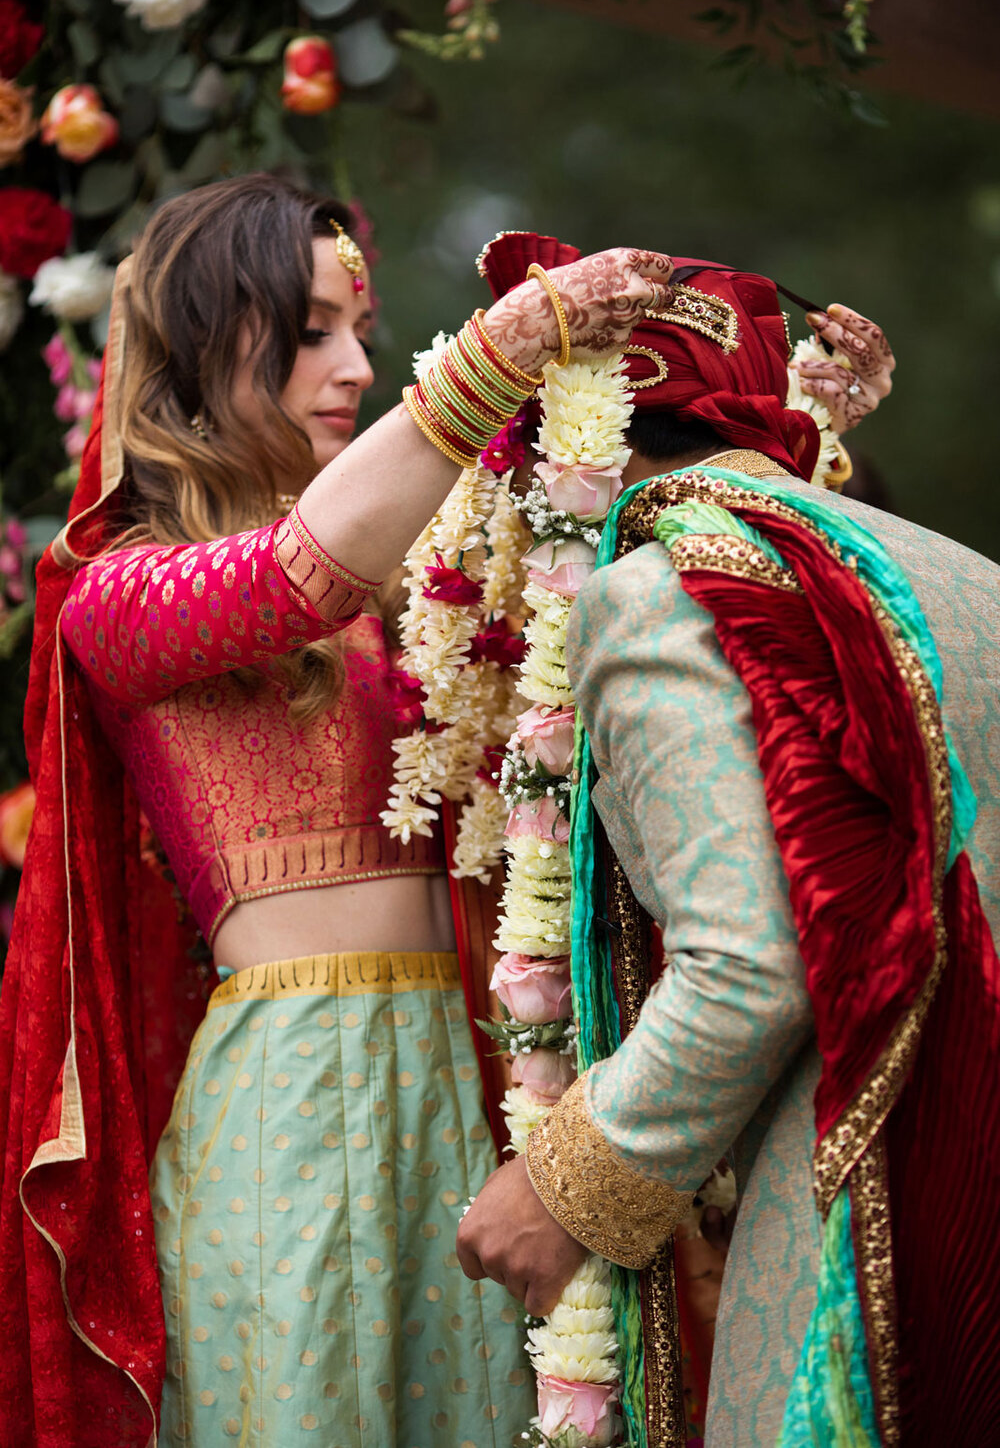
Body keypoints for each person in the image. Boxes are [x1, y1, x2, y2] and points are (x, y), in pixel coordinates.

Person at [0, 175, 676, 1448]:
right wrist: (496, 354)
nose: (358, 364)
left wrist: (781, 419)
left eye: (362, 329)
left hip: (477, 1089)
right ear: (205, 341)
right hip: (288, 1107)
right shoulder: (115, 592)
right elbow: (295, 575)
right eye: (311, 330)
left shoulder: (429, 566)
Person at [457, 250, 1000, 1445]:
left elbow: (750, 963)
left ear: (570, 450)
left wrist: (565, 1185)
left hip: (888, 1214)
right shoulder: (964, 575)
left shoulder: (655, 591)